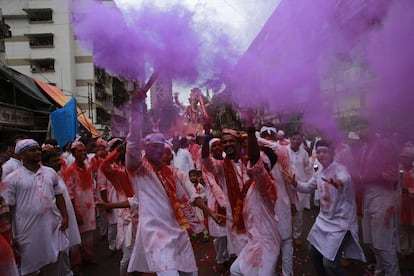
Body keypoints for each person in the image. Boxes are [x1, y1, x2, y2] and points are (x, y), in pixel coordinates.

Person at [126, 91, 223, 275]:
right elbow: (132, 145)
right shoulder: (140, 169)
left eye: (160, 146)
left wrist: (209, 213)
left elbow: (188, 198)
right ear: (145, 149)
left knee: (191, 273)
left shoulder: (171, 174)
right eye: (152, 146)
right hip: (156, 234)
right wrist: (136, 112)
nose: (157, 150)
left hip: (178, 231)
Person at [283, 139, 366, 275]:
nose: (321, 155)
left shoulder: (340, 169)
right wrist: (294, 183)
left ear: (332, 153)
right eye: (319, 152)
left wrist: (338, 182)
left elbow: (345, 178)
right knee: (314, 255)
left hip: (341, 223)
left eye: (325, 152)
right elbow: (307, 187)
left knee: (330, 264)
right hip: (323, 221)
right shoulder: (320, 172)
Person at [3, 139, 69, 275]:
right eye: (32, 150)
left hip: (52, 226)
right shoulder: (12, 179)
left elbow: (59, 196)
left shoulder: (50, 172)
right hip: (26, 231)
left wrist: (65, 216)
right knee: (30, 268)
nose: (37, 152)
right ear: (21, 154)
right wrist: (9, 234)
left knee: (54, 262)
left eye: (38, 149)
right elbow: (8, 208)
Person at [229, 125, 281, 276]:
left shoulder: (266, 185)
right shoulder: (250, 184)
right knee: (235, 270)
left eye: (259, 163)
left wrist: (251, 132)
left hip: (266, 243)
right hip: (254, 241)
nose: (252, 164)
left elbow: (255, 163)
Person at [358, 129, 401, 276]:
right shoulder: (364, 147)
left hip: (383, 198)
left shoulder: (385, 145)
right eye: (357, 126)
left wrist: (372, 175)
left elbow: (393, 176)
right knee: (371, 240)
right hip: (368, 197)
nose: (359, 131)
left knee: (384, 243)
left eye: (362, 126)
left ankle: (393, 273)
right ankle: (380, 269)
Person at [202, 128, 249, 257]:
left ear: (238, 143)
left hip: (254, 215)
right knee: (243, 256)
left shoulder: (249, 161)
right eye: (225, 142)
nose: (227, 144)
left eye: (231, 141)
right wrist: (206, 137)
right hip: (236, 216)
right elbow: (206, 161)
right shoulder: (221, 167)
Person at [41, 150, 81, 276]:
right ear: (45, 163)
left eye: (59, 160)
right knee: (59, 251)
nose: (59, 163)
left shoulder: (57, 175)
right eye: (55, 161)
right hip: (55, 221)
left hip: (65, 218)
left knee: (65, 248)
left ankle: (68, 272)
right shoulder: (44, 179)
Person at [62, 141, 97, 271]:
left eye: (84, 151)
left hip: (89, 207)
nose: (83, 153)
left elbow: (91, 187)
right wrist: (75, 213)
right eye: (79, 151)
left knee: (89, 233)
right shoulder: (69, 171)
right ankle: (76, 263)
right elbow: (70, 195)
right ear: (73, 153)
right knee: (76, 236)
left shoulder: (88, 167)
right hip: (77, 209)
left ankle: (88, 257)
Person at [287, 131, 312, 246]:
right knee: (286, 211)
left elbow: (308, 169)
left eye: (298, 139)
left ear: (302, 140)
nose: (295, 141)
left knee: (298, 212)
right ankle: (286, 235)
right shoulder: (284, 151)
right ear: (289, 139)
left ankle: (297, 235)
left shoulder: (304, 153)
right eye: (293, 139)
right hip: (286, 186)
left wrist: (308, 183)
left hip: (300, 186)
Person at [398, 143, 414, 258]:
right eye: (403, 157)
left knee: (412, 227)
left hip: (412, 202)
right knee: (402, 226)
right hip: (401, 202)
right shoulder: (399, 170)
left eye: (407, 157)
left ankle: (412, 249)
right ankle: (404, 249)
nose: (404, 159)